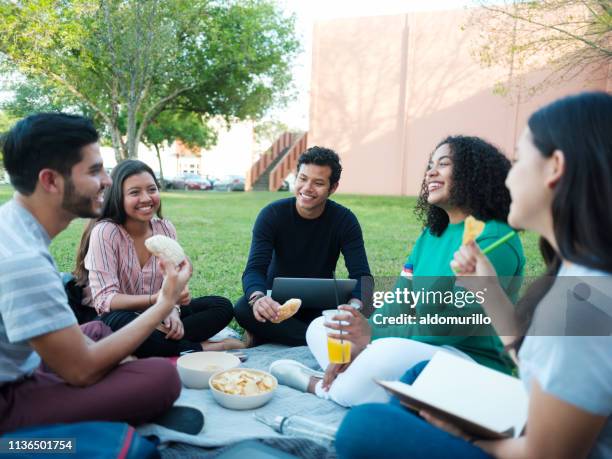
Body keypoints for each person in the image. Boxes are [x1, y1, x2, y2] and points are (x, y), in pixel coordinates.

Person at [335, 91, 612, 459]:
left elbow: (547, 453)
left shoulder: (582, 299)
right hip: (523, 408)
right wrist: (490, 292)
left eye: (518, 160)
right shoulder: (580, 274)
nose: (508, 178)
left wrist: (468, 438)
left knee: (365, 426)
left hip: (527, 438)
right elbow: (538, 360)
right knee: (416, 377)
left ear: (555, 167)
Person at [271, 135, 525, 407]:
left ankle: (323, 386)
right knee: (323, 327)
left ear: (474, 173)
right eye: (430, 164)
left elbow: (453, 327)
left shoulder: (493, 239)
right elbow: (400, 301)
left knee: (384, 354)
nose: (431, 171)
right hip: (421, 346)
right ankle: (361, 380)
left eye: (444, 163)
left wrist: (371, 338)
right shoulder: (431, 234)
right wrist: (363, 332)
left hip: (468, 359)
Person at [0, 113, 190, 432]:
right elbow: (81, 371)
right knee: (162, 377)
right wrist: (163, 303)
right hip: (9, 399)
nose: (106, 181)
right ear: (50, 181)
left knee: (100, 332)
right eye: (94, 170)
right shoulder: (23, 260)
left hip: (29, 363)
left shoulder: (14, 226)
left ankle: (117, 398)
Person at [74, 159, 243, 357]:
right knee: (119, 324)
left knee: (221, 306)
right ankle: (208, 347)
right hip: (120, 317)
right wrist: (160, 300)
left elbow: (171, 282)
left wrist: (172, 310)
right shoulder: (105, 232)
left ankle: (160, 343)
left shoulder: (165, 228)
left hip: (159, 313)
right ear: (118, 197)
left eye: (151, 189)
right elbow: (105, 300)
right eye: (135, 192)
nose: (146, 198)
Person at [234, 146, 372, 346]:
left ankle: (291, 336)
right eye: (302, 178)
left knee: (373, 306)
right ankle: (321, 338)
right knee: (243, 308)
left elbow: (362, 276)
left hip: (322, 304)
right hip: (278, 306)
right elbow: (254, 269)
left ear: (332, 188)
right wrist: (259, 298)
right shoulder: (271, 215)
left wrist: (354, 306)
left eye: (318, 183)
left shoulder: (345, 220)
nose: (307, 188)